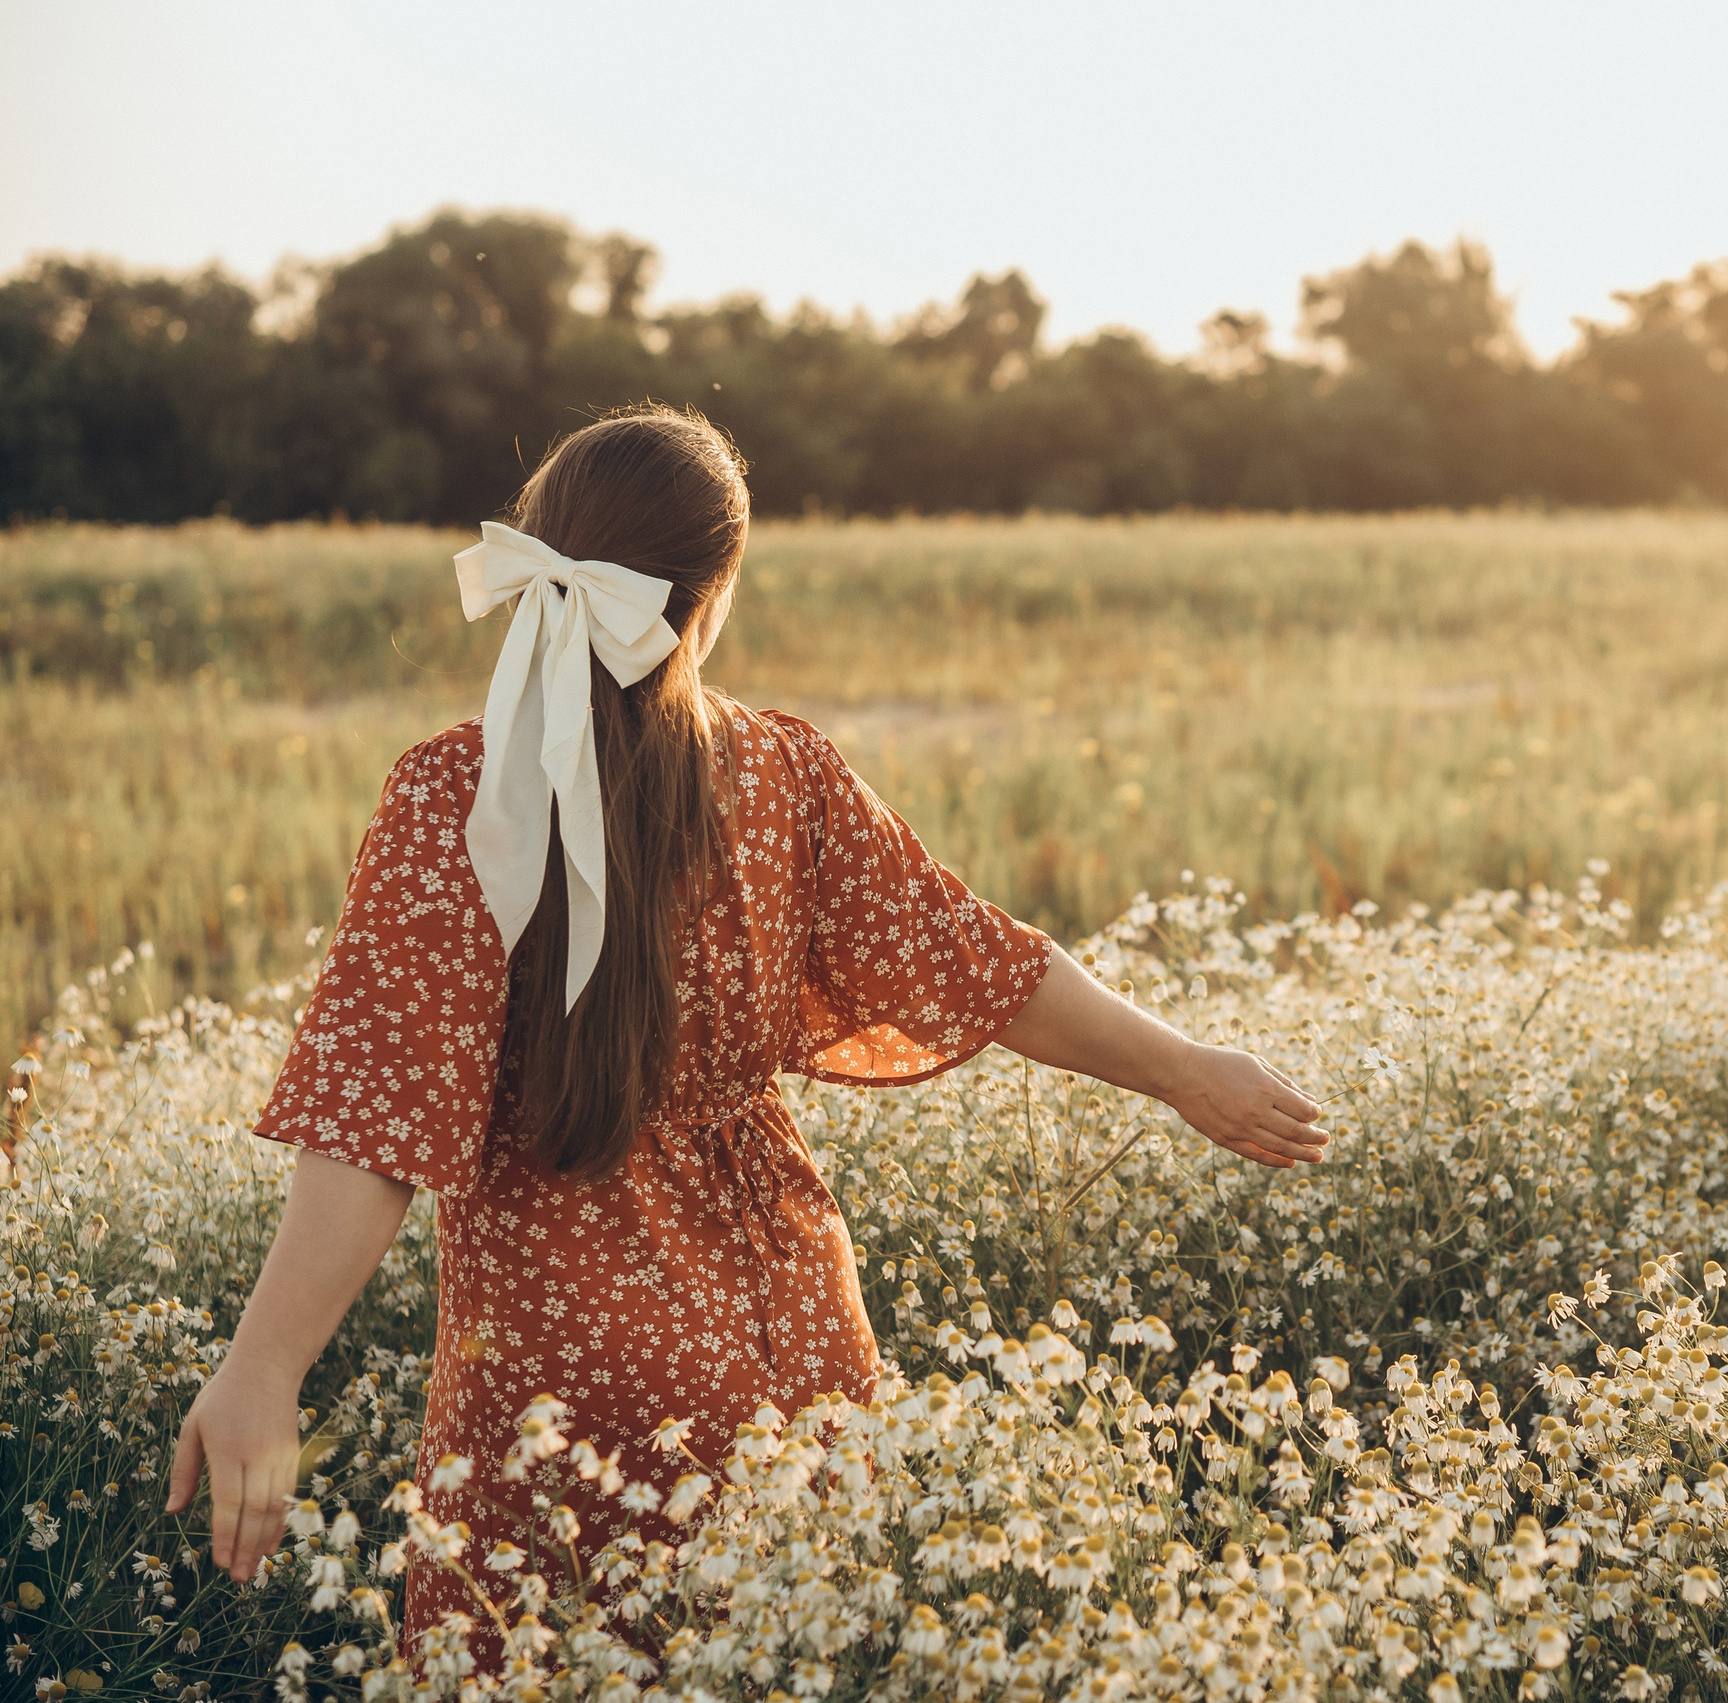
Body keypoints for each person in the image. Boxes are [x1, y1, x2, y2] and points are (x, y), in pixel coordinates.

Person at [161, 406, 1328, 1652]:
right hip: (796, 1332)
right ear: (709, 598)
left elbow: (376, 1122)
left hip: (561, 1372)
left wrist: (263, 1368)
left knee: (547, 1658)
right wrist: (1182, 1067)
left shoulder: (456, 793)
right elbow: (976, 958)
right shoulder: (787, 773)